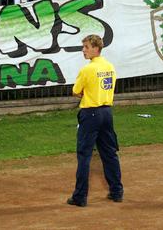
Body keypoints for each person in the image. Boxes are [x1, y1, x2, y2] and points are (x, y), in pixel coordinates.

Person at [68, 34, 123, 207]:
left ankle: (80, 197)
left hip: (90, 113)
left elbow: (76, 91)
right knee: (109, 153)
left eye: (86, 47)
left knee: (84, 155)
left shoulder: (87, 69)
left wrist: (87, 93)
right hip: (107, 112)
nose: (83, 50)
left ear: (96, 48)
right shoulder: (110, 66)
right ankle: (116, 192)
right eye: (83, 47)